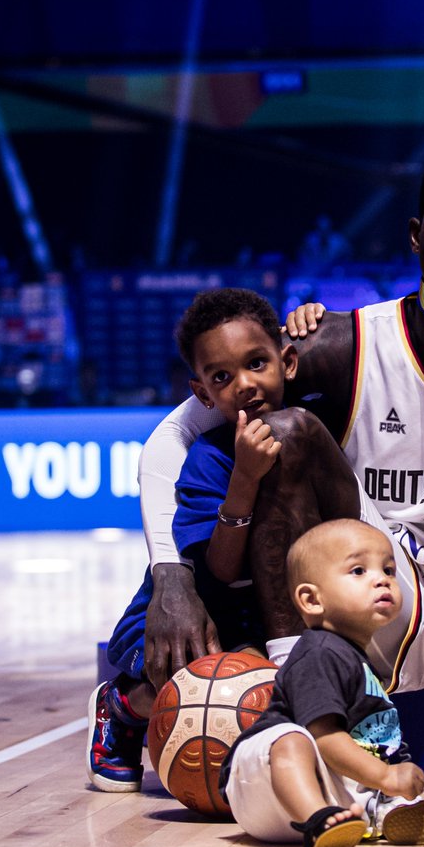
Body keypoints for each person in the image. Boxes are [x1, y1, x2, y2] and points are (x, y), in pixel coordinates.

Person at [135, 148, 424, 792]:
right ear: (416, 235)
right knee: (283, 434)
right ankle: (298, 702)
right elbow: (179, 430)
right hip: (383, 584)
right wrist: (169, 570)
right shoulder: (340, 342)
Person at [87, 288, 299, 792]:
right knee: (189, 671)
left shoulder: (317, 431)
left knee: (263, 683)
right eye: (221, 378)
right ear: (202, 393)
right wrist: (244, 480)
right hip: (206, 603)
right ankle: (122, 706)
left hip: (266, 607)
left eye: (256, 363)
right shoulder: (207, 457)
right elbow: (222, 570)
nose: (245, 385)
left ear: (287, 361)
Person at [220, 519, 424, 847]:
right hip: (265, 782)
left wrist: (400, 775)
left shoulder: (361, 663)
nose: (382, 579)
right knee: (292, 740)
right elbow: (326, 738)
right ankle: (321, 819)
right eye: (359, 570)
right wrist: (387, 776)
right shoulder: (318, 653)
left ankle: (383, 815)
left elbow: (376, 745)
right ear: (312, 600)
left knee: (369, 786)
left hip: (313, 793)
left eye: (388, 569)